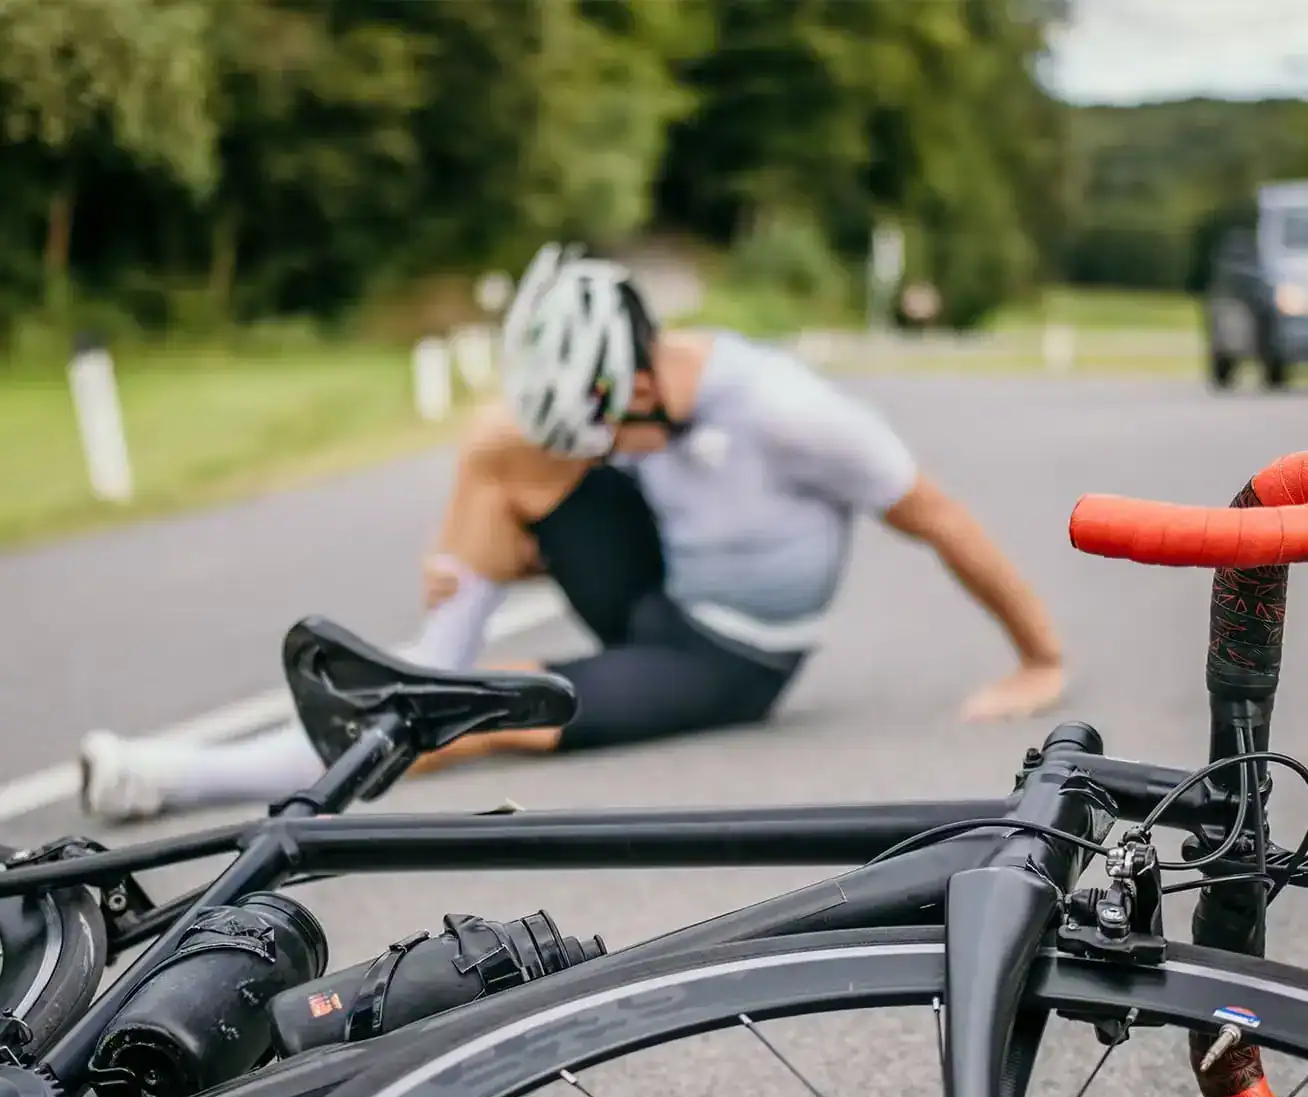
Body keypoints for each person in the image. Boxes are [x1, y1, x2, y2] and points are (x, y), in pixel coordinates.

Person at [79, 243, 1065, 823]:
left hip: (729, 655)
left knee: (471, 724)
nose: (600, 453)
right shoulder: (627, 399)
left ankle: (170, 779)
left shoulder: (787, 413)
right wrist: (472, 551)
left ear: (640, 382)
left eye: (603, 438)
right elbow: (563, 455)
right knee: (496, 446)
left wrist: (1037, 659)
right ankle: (437, 659)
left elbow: (940, 518)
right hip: (657, 585)